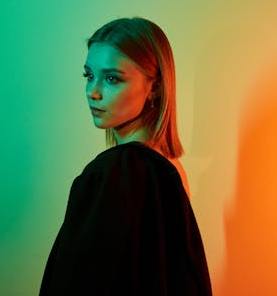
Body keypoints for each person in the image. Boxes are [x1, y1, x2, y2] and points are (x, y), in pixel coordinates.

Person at [39, 17, 212, 295]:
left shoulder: (116, 171)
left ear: (154, 87)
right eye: (88, 75)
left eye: (111, 79)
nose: (92, 92)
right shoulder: (172, 168)